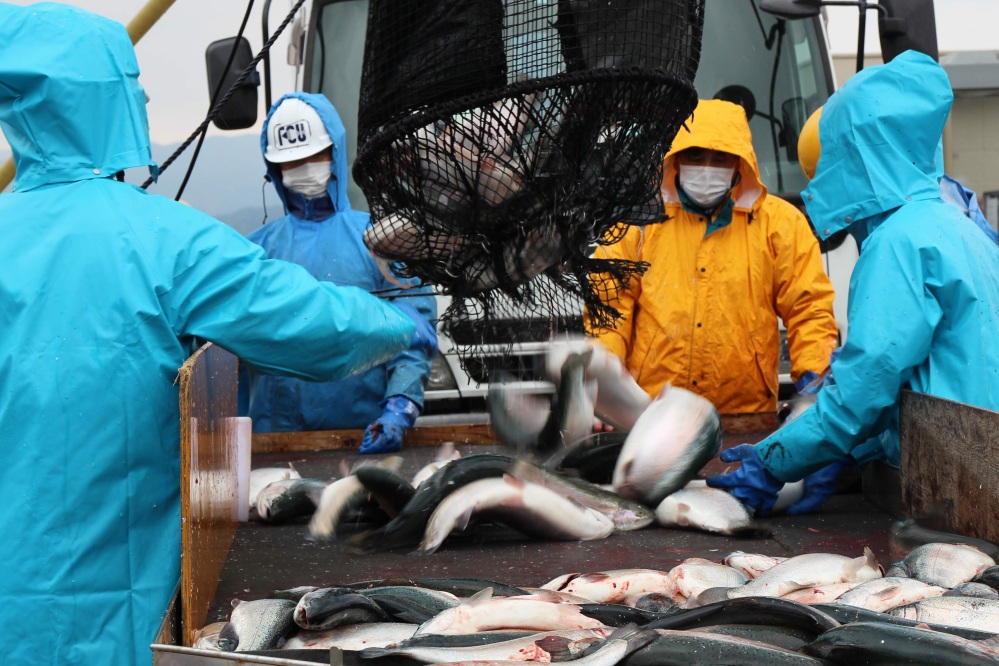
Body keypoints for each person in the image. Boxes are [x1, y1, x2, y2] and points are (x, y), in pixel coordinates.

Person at [0, 4, 436, 664]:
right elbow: (319, 328)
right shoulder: (162, 240)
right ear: (113, 99)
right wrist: (395, 320)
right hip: (111, 617)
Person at [707, 50, 999, 517]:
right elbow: (918, 372)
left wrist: (774, 461)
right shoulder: (958, 227)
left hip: (953, 488)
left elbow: (866, 387)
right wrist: (849, 452)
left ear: (852, 162)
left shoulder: (897, 243)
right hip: (980, 469)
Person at [585, 98, 839, 416]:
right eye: (695, 155)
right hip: (652, 419)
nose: (707, 168)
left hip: (747, 418)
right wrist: (605, 387)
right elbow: (608, 312)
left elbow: (809, 311)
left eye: (721, 158)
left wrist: (814, 387)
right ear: (675, 159)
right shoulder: (637, 225)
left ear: (740, 163)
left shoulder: (781, 224)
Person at [240, 93, 437, 454]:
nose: (304, 167)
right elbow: (226, 354)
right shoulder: (253, 253)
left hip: (361, 439)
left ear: (336, 153)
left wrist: (400, 407)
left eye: (314, 155)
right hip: (272, 445)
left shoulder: (381, 239)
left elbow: (411, 347)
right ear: (274, 169)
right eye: (292, 162)